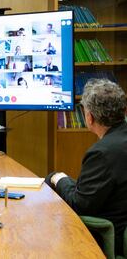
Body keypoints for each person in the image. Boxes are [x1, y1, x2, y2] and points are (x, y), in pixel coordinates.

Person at [45, 79, 127, 256]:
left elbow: (80, 205)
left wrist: (58, 178)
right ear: (124, 111)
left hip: (106, 238)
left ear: (89, 117)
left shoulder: (102, 152)